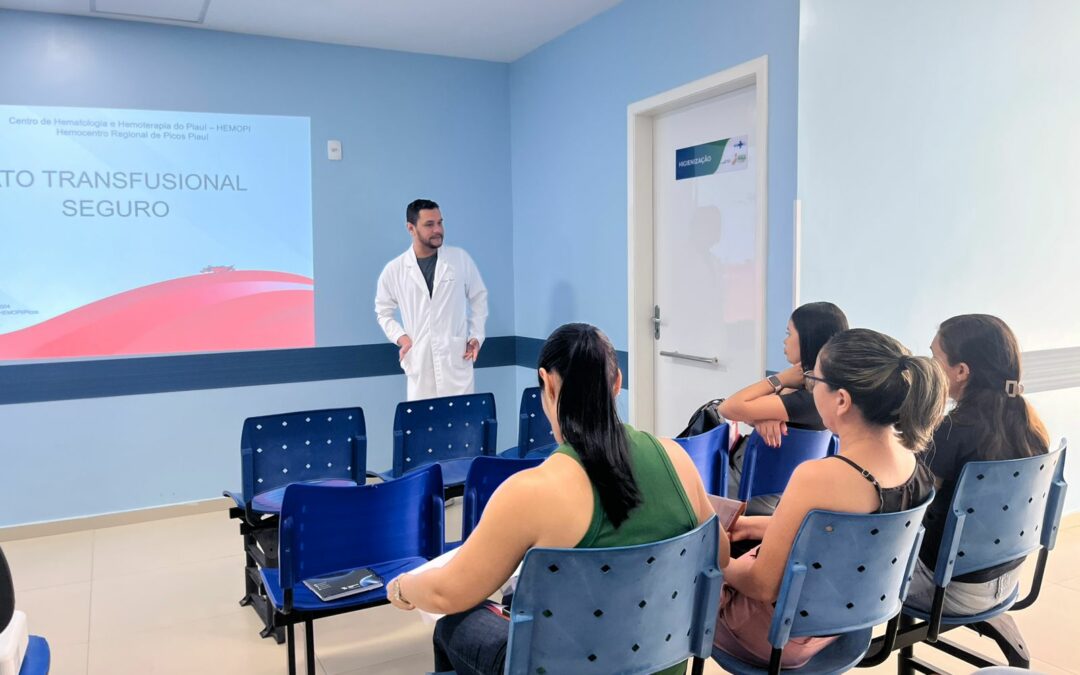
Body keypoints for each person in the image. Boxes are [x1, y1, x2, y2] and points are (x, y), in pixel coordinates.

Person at [384, 323, 726, 675]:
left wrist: (402, 587)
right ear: (618, 381)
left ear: (547, 383)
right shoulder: (677, 460)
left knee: (454, 623)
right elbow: (721, 554)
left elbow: (446, 594)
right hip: (660, 665)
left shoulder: (531, 492)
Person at [713, 328, 942, 668]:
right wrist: (760, 526)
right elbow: (838, 538)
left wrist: (718, 561)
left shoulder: (818, 477)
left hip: (774, 637)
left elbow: (761, 586)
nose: (810, 388)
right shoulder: (910, 459)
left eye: (814, 380)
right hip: (847, 623)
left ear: (842, 399)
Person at [906, 314, 1050, 615]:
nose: (930, 366)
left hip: (948, 587)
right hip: (1007, 579)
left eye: (935, 358)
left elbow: (908, 503)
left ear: (961, 371)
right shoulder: (1031, 426)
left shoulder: (952, 430)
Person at [718, 302, 848, 511]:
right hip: (779, 493)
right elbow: (747, 412)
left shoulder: (809, 397)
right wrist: (763, 416)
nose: (785, 341)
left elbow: (727, 408)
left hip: (749, 490)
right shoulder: (822, 390)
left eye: (789, 333)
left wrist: (777, 379)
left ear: (807, 339)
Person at [375, 199, 488, 401]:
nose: (438, 230)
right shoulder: (395, 270)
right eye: (429, 224)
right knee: (422, 427)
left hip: (455, 364)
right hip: (420, 364)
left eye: (440, 222)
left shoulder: (459, 259)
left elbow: (479, 298)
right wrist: (402, 338)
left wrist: (475, 336)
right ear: (411, 228)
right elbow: (383, 312)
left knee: (462, 427)